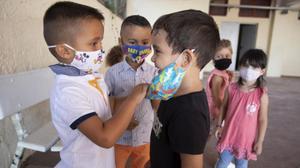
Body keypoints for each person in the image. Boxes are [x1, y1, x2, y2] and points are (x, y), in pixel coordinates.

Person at [43, 2, 148, 167]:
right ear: (64, 51)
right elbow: (105, 138)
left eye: (100, 42)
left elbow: (108, 103)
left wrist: (138, 94)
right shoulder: (68, 91)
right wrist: (132, 100)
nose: (101, 49)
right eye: (94, 43)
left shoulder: (90, 76)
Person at [147, 10, 220, 168]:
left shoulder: (190, 115)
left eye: (157, 50)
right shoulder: (171, 92)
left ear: (186, 58)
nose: (152, 58)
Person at [104, 15, 156, 168]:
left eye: (145, 42)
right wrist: (121, 120)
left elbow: (157, 104)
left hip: (144, 137)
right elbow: (106, 104)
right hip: (119, 137)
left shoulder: (154, 73)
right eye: (132, 42)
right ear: (121, 43)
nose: (139, 47)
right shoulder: (112, 74)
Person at [215, 49, 269, 168]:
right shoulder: (231, 88)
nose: (249, 70)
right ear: (240, 66)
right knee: (222, 163)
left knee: (242, 165)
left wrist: (260, 141)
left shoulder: (261, 95)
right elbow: (223, 107)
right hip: (228, 136)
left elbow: (262, 120)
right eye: (245, 65)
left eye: (254, 68)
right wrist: (219, 125)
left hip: (245, 141)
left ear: (262, 71)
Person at [206, 39, 233, 131]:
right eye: (219, 56)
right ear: (213, 59)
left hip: (218, 109)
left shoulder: (222, 73)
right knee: (210, 132)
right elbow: (216, 97)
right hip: (215, 110)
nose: (224, 58)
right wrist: (224, 113)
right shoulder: (217, 77)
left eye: (227, 56)